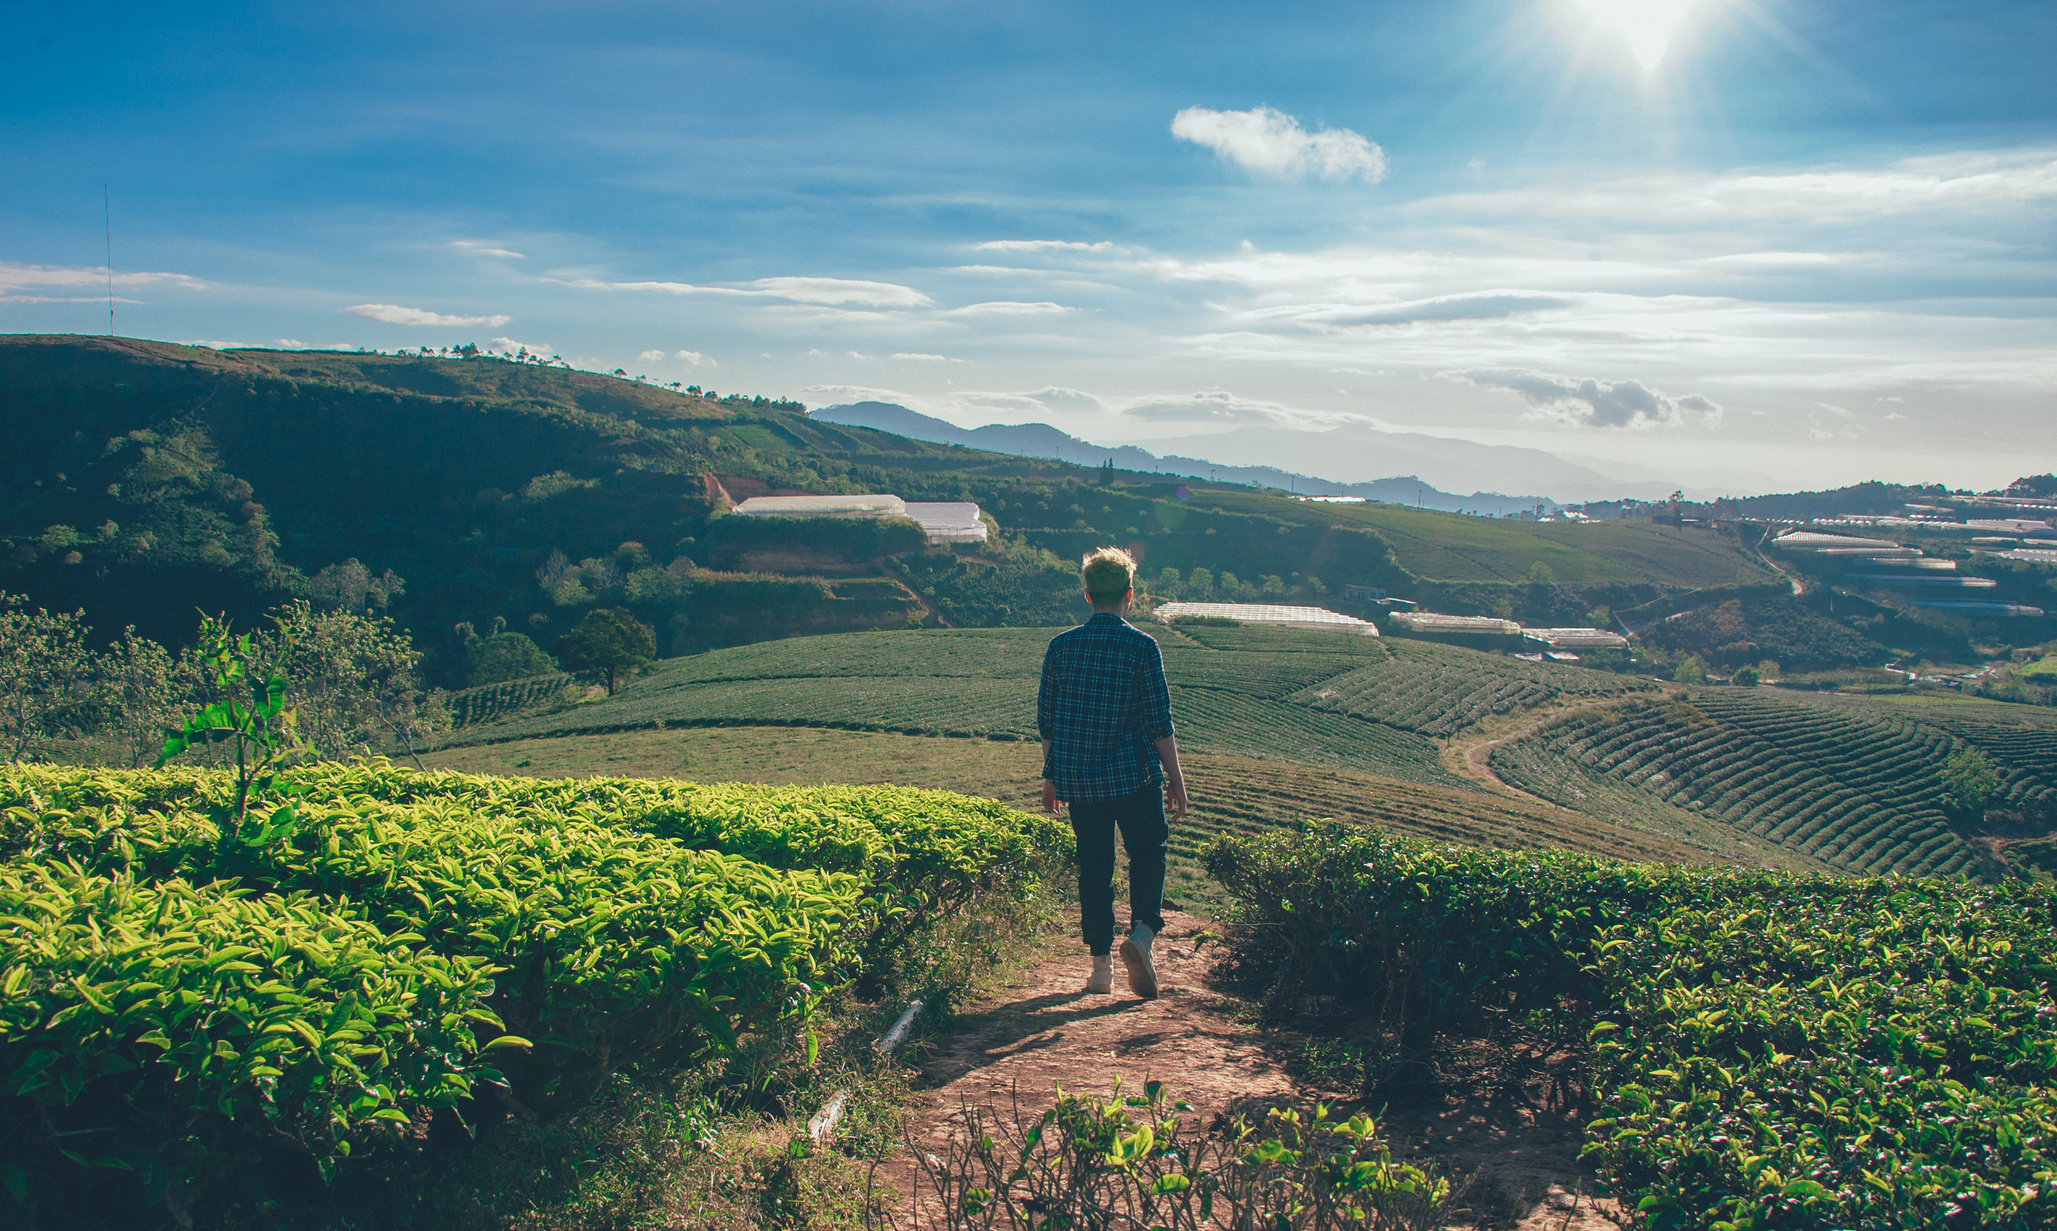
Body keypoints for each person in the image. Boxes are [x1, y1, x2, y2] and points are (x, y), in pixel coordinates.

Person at [1037, 546, 1189, 999]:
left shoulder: (1061, 647)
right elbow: (1158, 721)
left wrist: (1051, 776)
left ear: (1087, 595)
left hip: (1081, 781)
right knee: (1148, 852)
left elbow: (1049, 721)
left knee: (1094, 868)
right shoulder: (1143, 646)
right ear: (1130, 595)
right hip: (1134, 777)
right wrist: (1176, 780)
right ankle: (1142, 935)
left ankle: (1100, 968)